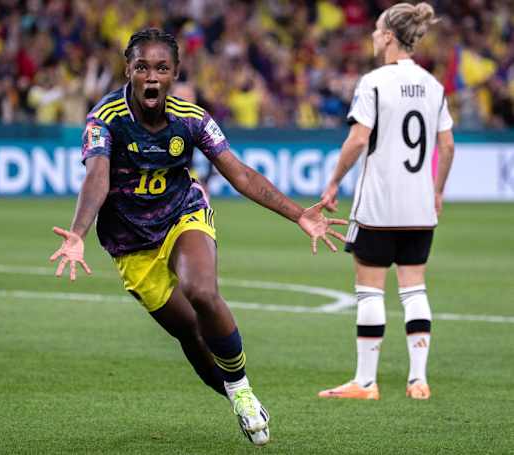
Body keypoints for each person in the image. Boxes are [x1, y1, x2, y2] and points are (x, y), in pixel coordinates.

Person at [49, 28, 346, 446]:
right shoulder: (105, 120)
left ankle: (242, 388)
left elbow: (239, 173)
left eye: (161, 68)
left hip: (181, 216)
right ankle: (233, 393)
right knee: (189, 330)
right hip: (131, 244)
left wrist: (299, 215)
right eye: (142, 67)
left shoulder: (192, 119)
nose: (151, 77)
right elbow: (96, 178)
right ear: (128, 71)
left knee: (201, 292)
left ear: (175, 74)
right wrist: (78, 233)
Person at [318, 2, 455, 401]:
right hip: (419, 208)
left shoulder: (374, 82)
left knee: (370, 291)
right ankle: (418, 380)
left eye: (377, 30)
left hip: (379, 205)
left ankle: (365, 382)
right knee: (414, 290)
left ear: (390, 37)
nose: (374, 36)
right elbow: (446, 147)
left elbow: (359, 139)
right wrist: (438, 190)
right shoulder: (433, 86)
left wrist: (333, 182)